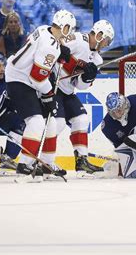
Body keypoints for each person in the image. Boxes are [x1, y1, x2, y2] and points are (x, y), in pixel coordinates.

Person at [4, 9, 75, 182]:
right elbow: (37, 77)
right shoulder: (51, 47)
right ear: (65, 28)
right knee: (36, 122)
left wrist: (60, 51)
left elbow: (39, 55)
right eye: (70, 30)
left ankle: (46, 165)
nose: (69, 34)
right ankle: (24, 165)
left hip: (25, 77)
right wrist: (49, 94)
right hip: (19, 80)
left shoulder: (44, 29)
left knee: (50, 122)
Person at [55, 20, 115, 177]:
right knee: (58, 124)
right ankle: (44, 159)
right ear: (100, 34)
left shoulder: (97, 60)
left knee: (81, 120)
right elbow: (55, 49)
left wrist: (87, 77)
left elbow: (79, 86)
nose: (107, 45)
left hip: (67, 91)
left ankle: (81, 162)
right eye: (107, 40)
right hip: (52, 86)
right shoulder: (77, 39)